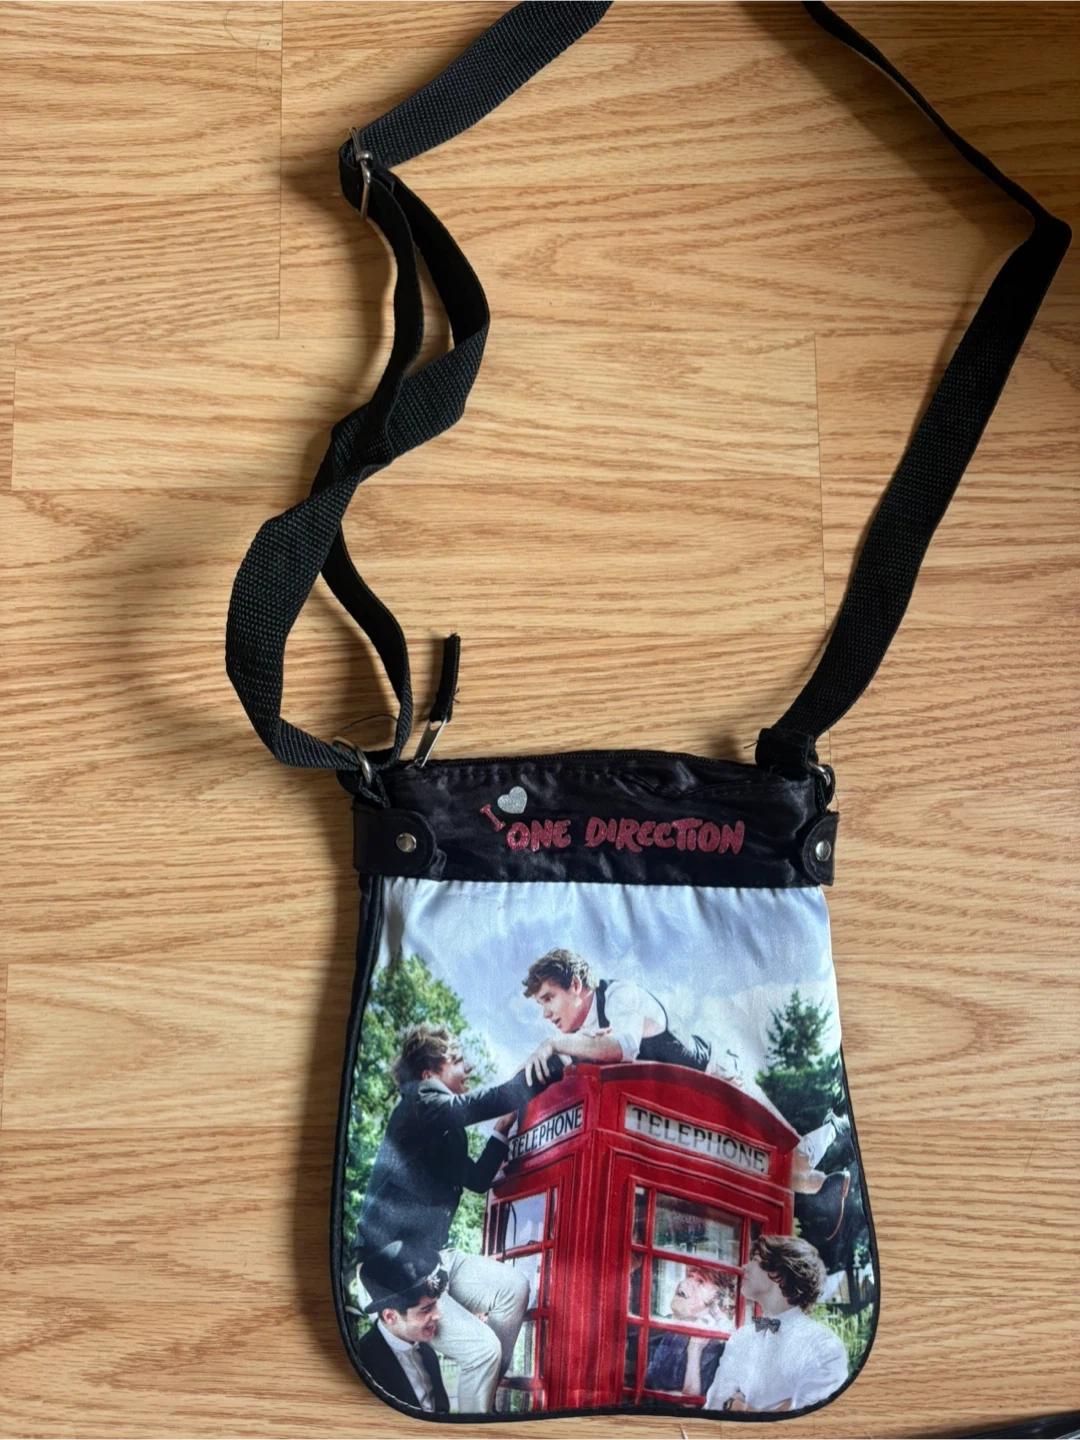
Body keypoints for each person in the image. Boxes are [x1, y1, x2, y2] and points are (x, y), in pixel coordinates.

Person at [353, 1022, 563, 1414]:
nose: (468, 1069)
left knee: (514, 1288)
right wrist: (550, 1061)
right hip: (389, 1268)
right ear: (428, 1075)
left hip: (429, 1257)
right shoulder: (418, 1101)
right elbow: (482, 1102)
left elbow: (478, 1180)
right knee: (483, 1350)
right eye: (458, 1061)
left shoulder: (441, 1131)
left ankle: (481, 1396)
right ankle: (473, 1423)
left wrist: (501, 1132)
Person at [521, 949, 726, 1082]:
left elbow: (622, 1046)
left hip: (720, 1076)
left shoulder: (621, 995)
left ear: (575, 984)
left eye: (549, 998)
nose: (545, 1014)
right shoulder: (579, 1035)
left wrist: (554, 1043)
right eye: (541, 1004)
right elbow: (532, 1073)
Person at [703, 1234, 848, 1413]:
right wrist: (744, 1408)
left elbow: (807, 1417)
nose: (744, 1267)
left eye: (755, 1260)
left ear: (779, 1273)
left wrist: (739, 1406)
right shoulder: (742, 1337)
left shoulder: (824, 1345)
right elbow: (715, 1403)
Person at [356, 1242, 451, 1414]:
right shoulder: (363, 1364)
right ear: (390, 1316)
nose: (439, 1314)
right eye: (426, 1309)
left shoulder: (427, 1351)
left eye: (436, 1304)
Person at [643, 1265, 728, 1398]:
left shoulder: (713, 1344)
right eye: (689, 1276)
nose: (686, 1283)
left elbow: (691, 1403)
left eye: (700, 1281)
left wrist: (694, 1349)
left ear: (714, 1299)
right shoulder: (659, 1326)